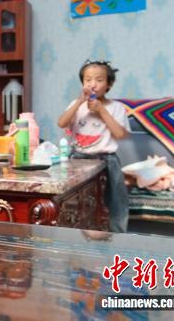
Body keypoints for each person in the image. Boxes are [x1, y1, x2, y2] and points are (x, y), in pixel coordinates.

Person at [57, 60, 131, 232]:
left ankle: (117, 235)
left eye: (99, 80)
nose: (93, 84)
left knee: (116, 201)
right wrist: (78, 102)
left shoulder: (116, 107)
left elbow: (120, 134)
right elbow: (61, 123)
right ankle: (74, 232)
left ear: (109, 84)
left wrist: (102, 111)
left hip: (106, 161)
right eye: (88, 80)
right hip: (76, 159)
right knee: (73, 200)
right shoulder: (77, 105)